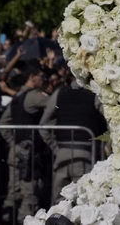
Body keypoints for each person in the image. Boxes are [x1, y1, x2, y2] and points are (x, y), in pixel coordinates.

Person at [40, 67, 107, 205]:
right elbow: (109, 119)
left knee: (59, 202)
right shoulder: (94, 95)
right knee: (83, 200)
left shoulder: (59, 94)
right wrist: (108, 146)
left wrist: (55, 146)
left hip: (62, 153)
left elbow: (43, 124)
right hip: (86, 154)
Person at [0, 66, 51, 222]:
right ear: (32, 78)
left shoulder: (18, 96)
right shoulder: (36, 96)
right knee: (30, 192)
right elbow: (57, 105)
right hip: (29, 153)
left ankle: (7, 219)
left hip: (17, 150)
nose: (45, 80)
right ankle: (24, 220)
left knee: (13, 191)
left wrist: (13, 142)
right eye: (42, 77)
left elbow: (3, 122)